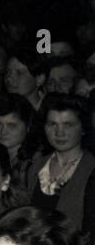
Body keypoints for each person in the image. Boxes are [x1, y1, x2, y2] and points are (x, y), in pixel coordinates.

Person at [23, 92, 94, 237]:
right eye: (52, 124)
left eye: (68, 125)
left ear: (83, 129)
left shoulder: (91, 168)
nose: (59, 132)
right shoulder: (34, 167)